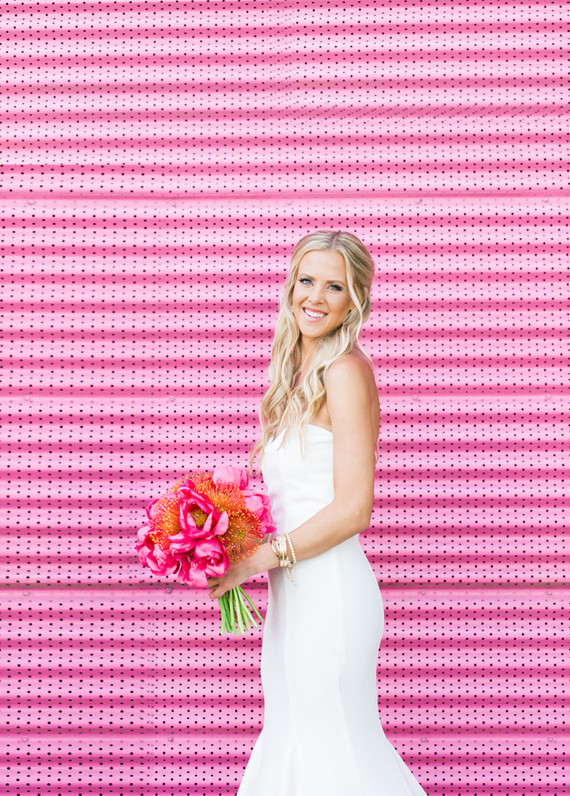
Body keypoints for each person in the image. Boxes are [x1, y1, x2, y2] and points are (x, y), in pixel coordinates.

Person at [207, 231, 428, 795]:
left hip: (330, 594)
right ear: (290, 285)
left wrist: (256, 559)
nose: (316, 297)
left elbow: (354, 509)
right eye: (307, 280)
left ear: (356, 300)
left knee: (334, 750)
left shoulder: (345, 371)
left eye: (336, 286)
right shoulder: (298, 375)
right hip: (295, 596)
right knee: (295, 739)